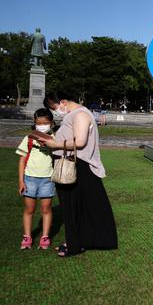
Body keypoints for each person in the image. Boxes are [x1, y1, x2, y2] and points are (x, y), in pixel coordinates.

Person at [37, 91, 118, 257]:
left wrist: (54, 143)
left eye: (55, 107)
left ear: (64, 102)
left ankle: (75, 244)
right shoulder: (77, 114)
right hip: (75, 164)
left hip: (77, 165)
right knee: (80, 206)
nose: (56, 111)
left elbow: (80, 142)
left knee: (72, 206)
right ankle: (80, 241)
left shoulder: (80, 114)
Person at [16, 108, 56, 250]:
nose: (42, 125)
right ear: (34, 123)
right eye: (39, 123)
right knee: (29, 209)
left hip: (48, 179)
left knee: (46, 209)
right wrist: (21, 181)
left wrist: (51, 144)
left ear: (51, 123)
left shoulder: (55, 138)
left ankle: (45, 236)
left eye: (45, 122)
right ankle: (27, 236)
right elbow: (22, 160)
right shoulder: (29, 138)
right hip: (30, 179)